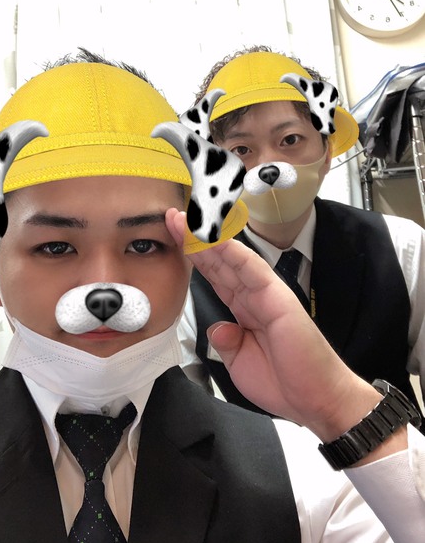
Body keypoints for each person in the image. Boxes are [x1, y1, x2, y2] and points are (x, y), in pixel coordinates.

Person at [0, 50, 425, 543]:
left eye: (144, 245)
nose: (105, 286)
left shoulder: (305, 477)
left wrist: (338, 406)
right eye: (55, 247)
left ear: (189, 259)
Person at [180, 45, 425, 420]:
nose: (267, 165)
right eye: (241, 149)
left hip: (396, 452)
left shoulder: (402, 246)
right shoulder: (189, 276)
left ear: (326, 151)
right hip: (267, 459)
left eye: (290, 140)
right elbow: (189, 418)